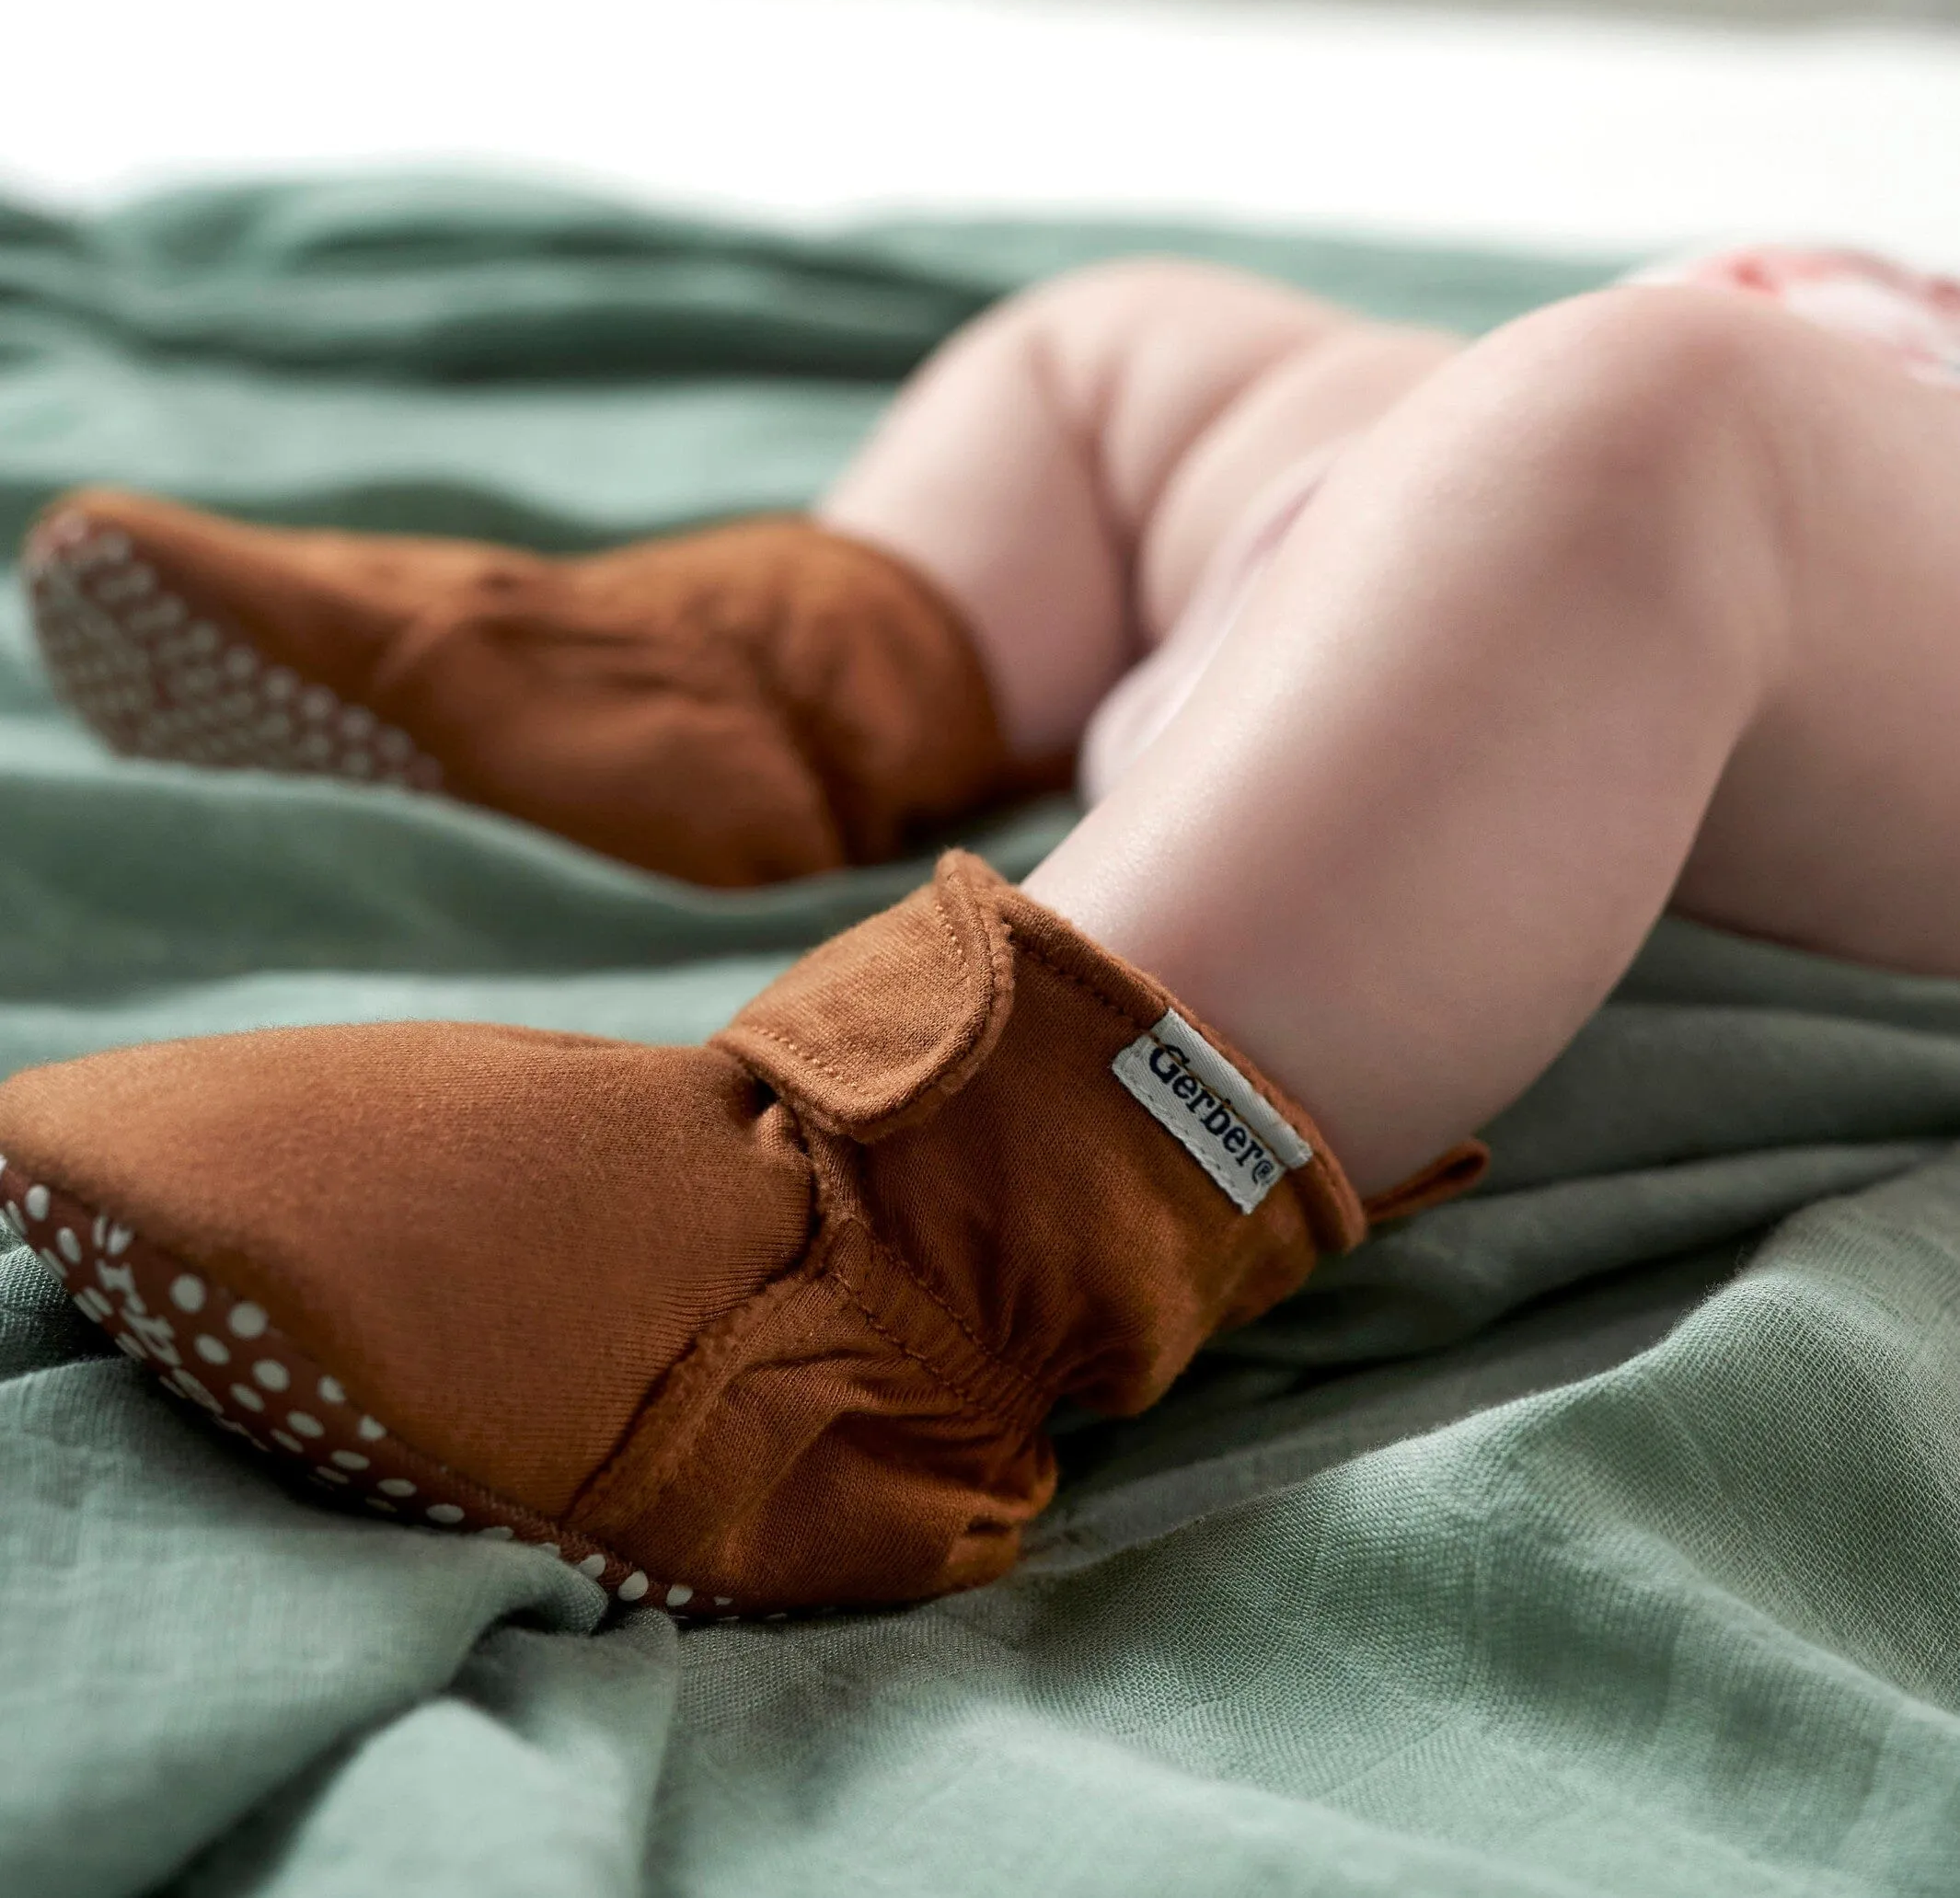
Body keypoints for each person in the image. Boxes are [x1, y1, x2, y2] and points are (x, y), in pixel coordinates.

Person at [4, 244, 1957, 1619]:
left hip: (1762, 611)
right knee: (1132, 345)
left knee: (1654, 414)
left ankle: (881, 1270)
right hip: (1581, 447)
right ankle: (744, 701)